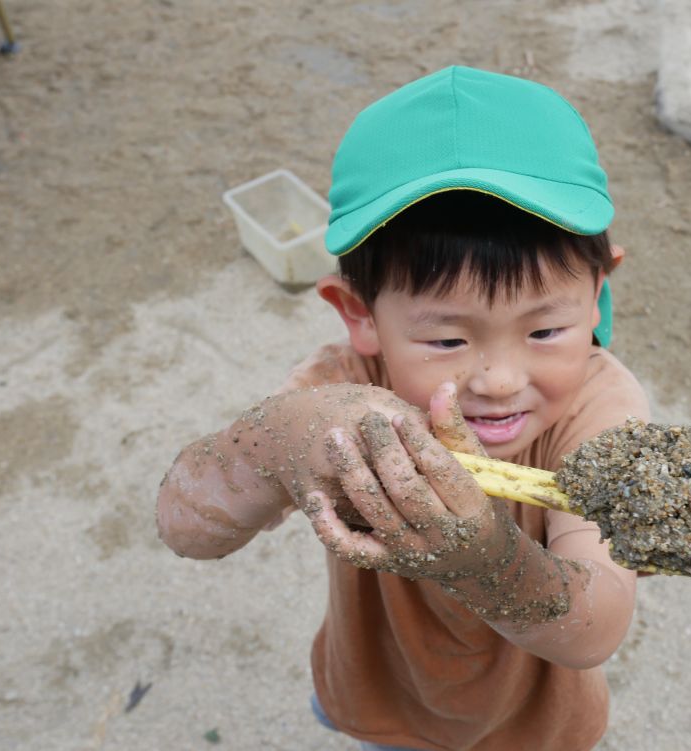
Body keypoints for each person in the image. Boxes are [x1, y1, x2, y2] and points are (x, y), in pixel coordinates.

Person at [156, 65, 650, 751]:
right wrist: (278, 442)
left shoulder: (599, 414)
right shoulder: (342, 388)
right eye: (448, 338)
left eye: (544, 330)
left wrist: (487, 560)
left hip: (531, 727)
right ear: (358, 314)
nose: (501, 380)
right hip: (380, 697)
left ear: (596, 293)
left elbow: (597, 625)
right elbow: (186, 525)